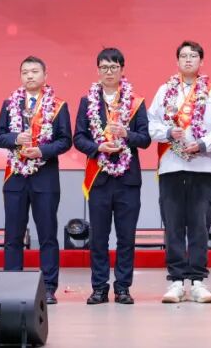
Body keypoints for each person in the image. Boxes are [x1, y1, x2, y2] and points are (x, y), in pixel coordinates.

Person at [147, 41, 211, 304]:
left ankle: (197, 281)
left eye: (193, 56)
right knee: (173, 225)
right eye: (183, 56)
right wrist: (167, 132)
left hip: (202, 165)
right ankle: (175, 281)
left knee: (199, 225)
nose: (188, 60)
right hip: (171, 165)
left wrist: (203, 144)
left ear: (201, 61)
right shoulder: (164, 91)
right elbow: (151, 123)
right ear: (177, 61)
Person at [73, 48, 151, 305]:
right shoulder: (87, 101)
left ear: (122, 70)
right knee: (98, 238)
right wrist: (98, 147)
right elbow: (78, 138)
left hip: (128, 180)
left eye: (114, 67)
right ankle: (99, 288)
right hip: (99, 179)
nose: (109, 72)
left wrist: (127, 134)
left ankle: (123, 288)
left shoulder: (135, 102)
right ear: (98, 71)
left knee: (126, 237)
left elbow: (145, 139)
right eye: (104, 67)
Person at [0, 56, 73, 305]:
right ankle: (12, 285)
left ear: (45, 76)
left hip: (45, 178)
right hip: (15, 178)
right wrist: (16, 139)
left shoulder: (58, 106)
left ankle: (48, 287)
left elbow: (65, 141)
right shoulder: (10, 104)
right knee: (13, 235)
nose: (30, 75)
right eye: (25, 72)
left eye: (35, 71)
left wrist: (42, 151)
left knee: (47, 234)